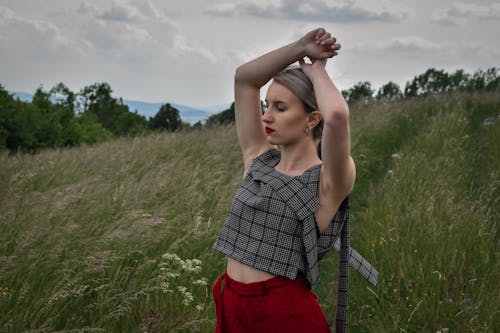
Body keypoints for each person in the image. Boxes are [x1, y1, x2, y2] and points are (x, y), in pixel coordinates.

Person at [212, 27, 378, 333]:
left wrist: (315, 71)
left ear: (312, 119)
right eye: (267, 105)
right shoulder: (258, 159)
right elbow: (245, 79)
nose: (266, 117)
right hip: (232, 304)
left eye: (280, 107)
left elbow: (338, 116)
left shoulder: (329, 181)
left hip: (284, 315)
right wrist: (300, 47)